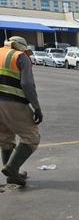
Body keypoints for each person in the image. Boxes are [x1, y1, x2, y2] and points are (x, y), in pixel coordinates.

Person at [0, 36, 43, 186]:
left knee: (5, 137)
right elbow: (27, 84)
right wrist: (36, 107)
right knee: (31, 137)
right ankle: (12, 168)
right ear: (22, 47)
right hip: (13, 103)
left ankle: (12, 175)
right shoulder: (21, 57)